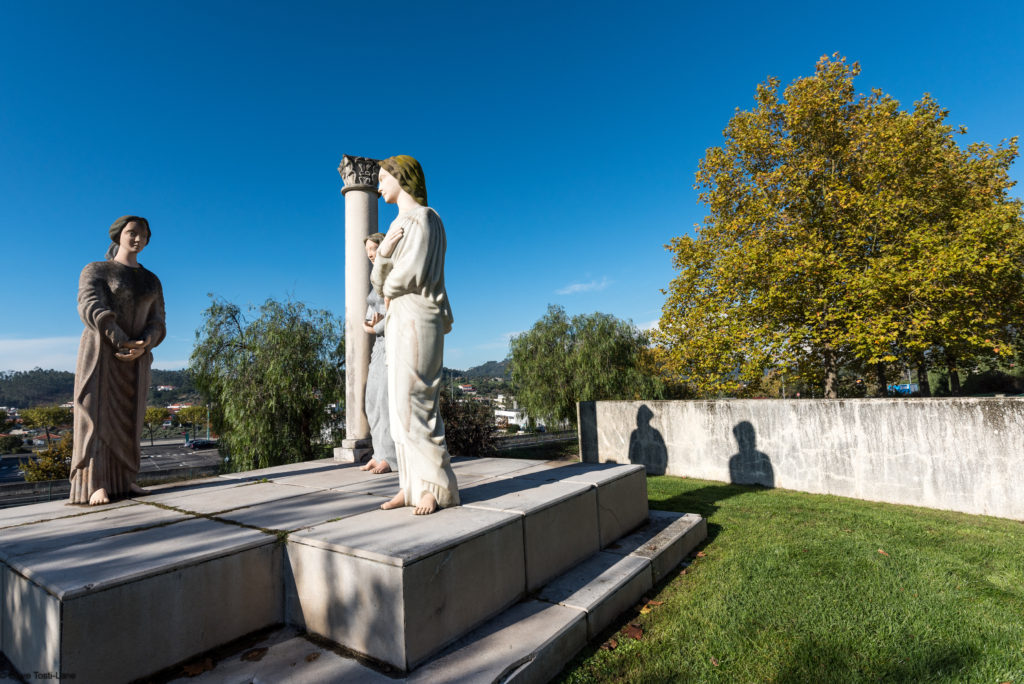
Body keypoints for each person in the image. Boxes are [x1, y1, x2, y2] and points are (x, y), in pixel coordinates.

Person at [371, 155, 459, 515]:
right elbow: (379, 284)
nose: (378, 186)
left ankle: (436, 487)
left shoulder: (426, 218)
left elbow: (413, 274)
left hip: (419, 316)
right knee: (399, 406)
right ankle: (409, 486)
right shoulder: (396, 225)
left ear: (401, 177)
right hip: (398, 319)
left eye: (382, 178)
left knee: (418, 401)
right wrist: (384, 254)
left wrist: (387, 272)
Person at [70, 216, 165, 505]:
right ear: (118, 235)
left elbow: (158, 321)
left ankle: (125, 479)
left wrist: (145, 343)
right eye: (131, 232)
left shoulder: (151, 280)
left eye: (143, 235)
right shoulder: (97, 270)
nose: (137, 239)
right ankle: (95, 483)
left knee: (130, 420)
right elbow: (90, 305)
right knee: (96, 417)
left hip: (136, 360)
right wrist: (118, 336)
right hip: (102, 354)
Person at [359, 232, 398, 475]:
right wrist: (376, 325)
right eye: (368, 252)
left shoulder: (394, 277)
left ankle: (391, 458)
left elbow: (396, 315)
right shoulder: (376, 284)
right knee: (371, 401)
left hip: (392, 344)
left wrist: (380, 324)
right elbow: (366, 324)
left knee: (386, 402)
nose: (371, 254)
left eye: (373, 249)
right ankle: (378, 453)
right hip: (378, 346)